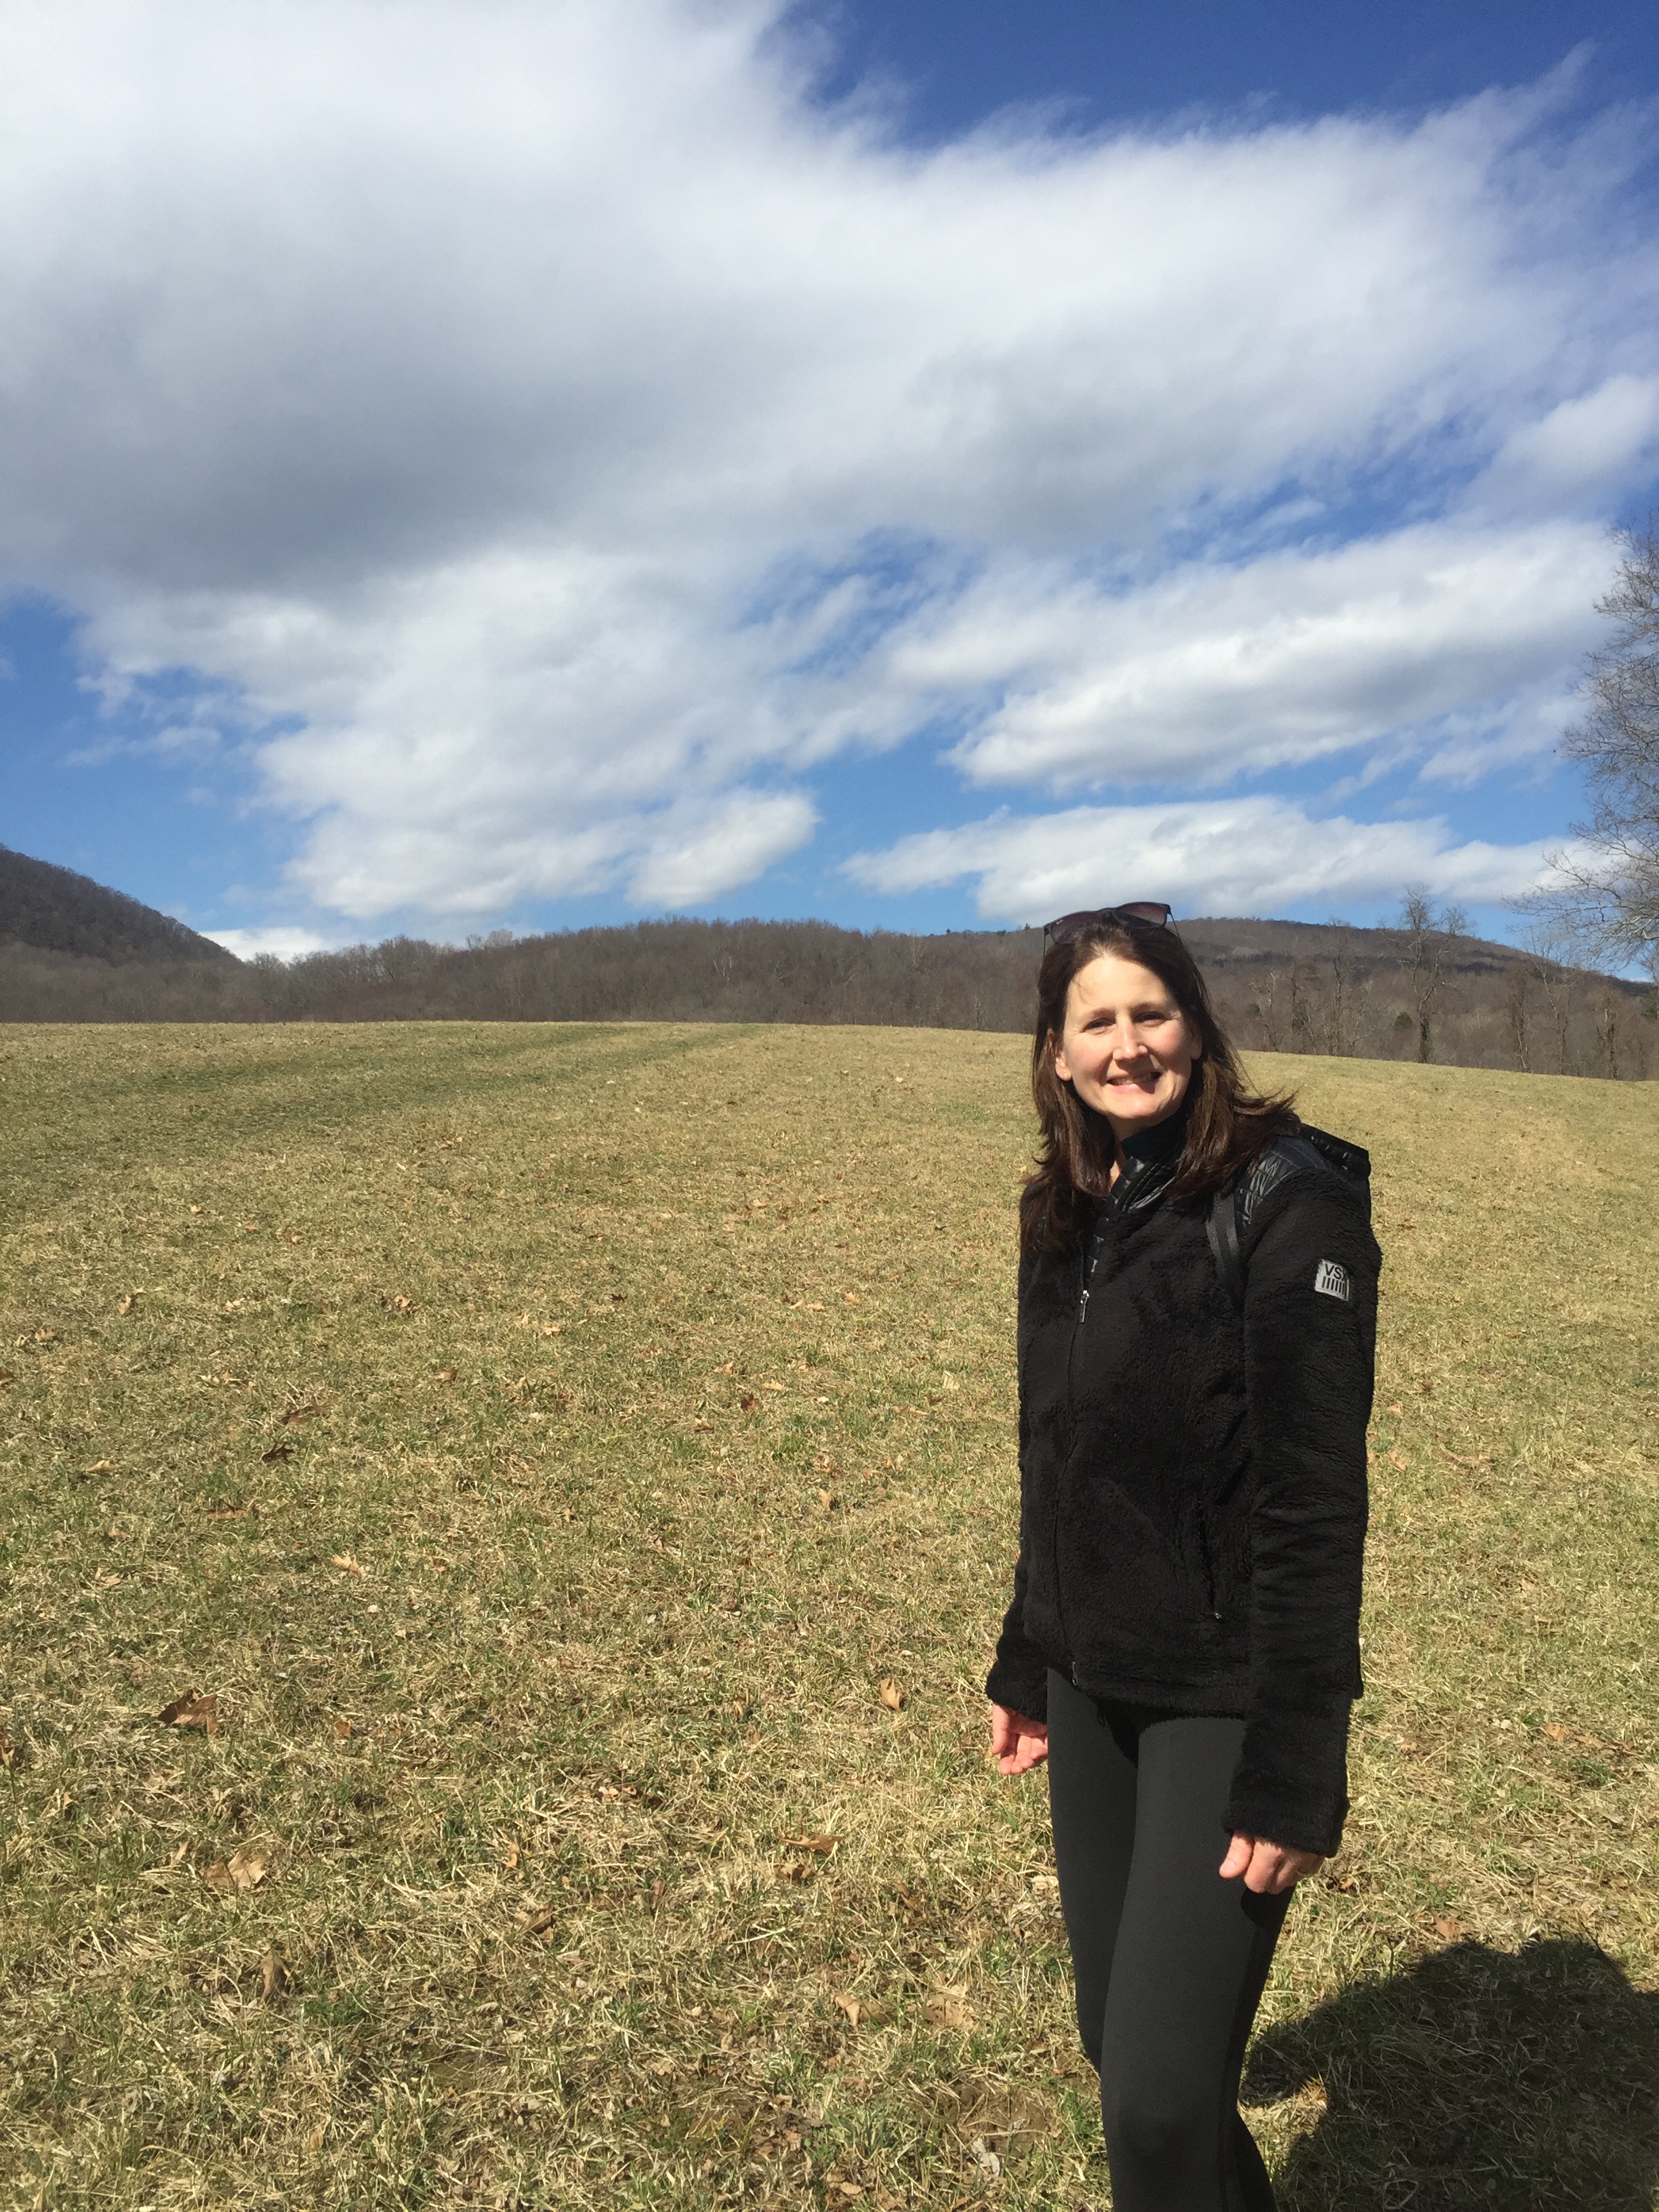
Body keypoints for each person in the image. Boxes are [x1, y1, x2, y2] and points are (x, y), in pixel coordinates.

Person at [986, 903, 1379, 2212]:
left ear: (1198, 1027)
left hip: (1224, 1694)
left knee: (1158, 2103)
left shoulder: (1288, 1200)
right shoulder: (1061, 1209)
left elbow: (1315, 1503)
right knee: (1129, 2059)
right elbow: (1056, 1455)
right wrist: (1027, 1654)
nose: (1127, 1045)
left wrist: (1297, 1759)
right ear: (1056, 1052)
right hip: (1091, 1680)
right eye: (1095, 1021)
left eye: (1150, 1013)